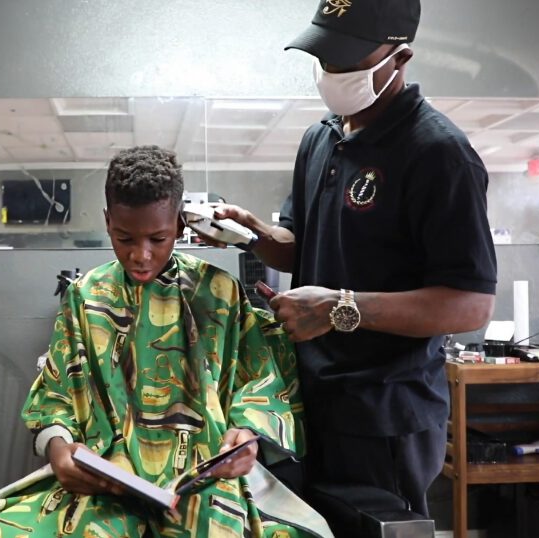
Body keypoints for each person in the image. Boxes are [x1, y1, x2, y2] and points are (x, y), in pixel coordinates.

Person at [200, 0, 497, 519]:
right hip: (312, 399)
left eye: (347, 62)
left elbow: (469, 305)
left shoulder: (438, 153)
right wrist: (251, 234)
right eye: (325, 58)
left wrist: (341, 308)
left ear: (399, 57)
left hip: (385, 413)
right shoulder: (323, 138)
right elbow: (300, 243)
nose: (331, 73)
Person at [0, 145, 332, 537]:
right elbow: (56, 396)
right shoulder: (86, 298)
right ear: (107, 222)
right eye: (124, 238)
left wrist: (247, 436)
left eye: (158, 238)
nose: (141, 255)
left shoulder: (218, 294)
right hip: (109, 479)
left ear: (181, 227)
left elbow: (260, 383)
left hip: (205, 482)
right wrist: (57, 448)